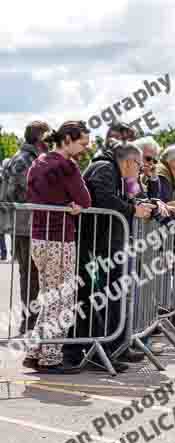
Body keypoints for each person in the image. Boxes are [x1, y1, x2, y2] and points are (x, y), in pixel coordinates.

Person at [72, 141, 157, 367]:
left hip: (111, 244)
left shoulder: (122, 174)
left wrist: (137, 187)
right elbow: (102, 198)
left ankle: (117, 347)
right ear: (129, 162)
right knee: (101, 299)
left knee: (115, 298)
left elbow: (136, 197)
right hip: (95, 245)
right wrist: (132, 209)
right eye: (139, 165)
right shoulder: (104, 168)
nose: (141, 170)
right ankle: (100, 353)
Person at [25, 121, 93, 373]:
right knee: (61, 298)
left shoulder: (38, 161)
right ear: (68, 139)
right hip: (59, 238)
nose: (84, 149)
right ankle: (50, 356)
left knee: (49, 297)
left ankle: (35, 351)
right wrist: (74, 204)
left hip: (39, 237)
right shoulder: (66, 165)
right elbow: (85, 199)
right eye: (82, 143)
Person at [1, 121, 51, 334]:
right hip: (26, 226)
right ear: (40, 138)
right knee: (29, 276)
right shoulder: (23, 160)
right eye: (48, 138)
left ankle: (32, 321)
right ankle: (29, 322)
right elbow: (18, 193)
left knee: (34, 276)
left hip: (33, 224)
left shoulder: (33, 158)